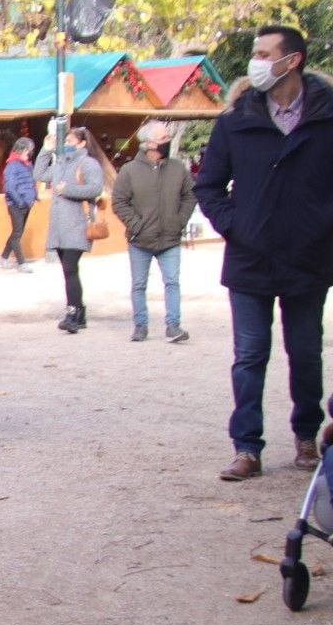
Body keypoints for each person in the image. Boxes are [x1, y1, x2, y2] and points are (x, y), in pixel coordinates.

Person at [195, 25, 333, 481]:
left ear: (290, 60)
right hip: (250, 260)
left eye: (262, 53)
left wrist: (321, 226)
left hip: (309, 260)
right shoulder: (235, 121)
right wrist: (237, 226)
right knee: (249, 356)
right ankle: (247, 448)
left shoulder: (327, 119)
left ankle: (307, 437)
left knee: (306, 353)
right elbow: (209, 186)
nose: (254, 61)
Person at [112, 121, 195, 344]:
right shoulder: (129, 171)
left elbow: (190, 195)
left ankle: (173, 326)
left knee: (172, 283)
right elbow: (119, 202)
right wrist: (136, 225)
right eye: (163, 139)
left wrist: (179, 221)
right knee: (139, 285)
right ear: (148, 143)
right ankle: (140, 326)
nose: (167, 142)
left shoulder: (178, 168)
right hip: (140, 240)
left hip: (170, 238)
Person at [37, 126, 112, 333]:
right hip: (59, 226)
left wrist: (67, 190)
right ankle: (80, 313)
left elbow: (95, 188)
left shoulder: (88, 164)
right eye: (66, 141)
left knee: (70, 269)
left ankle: (72, 313)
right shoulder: (61, 163)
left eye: (70, 141)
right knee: (69, 270)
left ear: (82, 143)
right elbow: (40, 174)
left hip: (78, 224)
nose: (67, 145)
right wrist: (46, 150)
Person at [0, 137, 37, 272]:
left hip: (26, 203)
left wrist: (34, 197)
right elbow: (9, 187)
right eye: (30, 149)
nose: (31, 151)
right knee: (17, 234)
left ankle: (3, 258)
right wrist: (20, 202)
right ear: (24, 149)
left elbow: (31, 182)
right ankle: (22, 263)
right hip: (16, 204)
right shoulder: (12, 165)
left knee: (17, 233)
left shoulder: (27, 164)